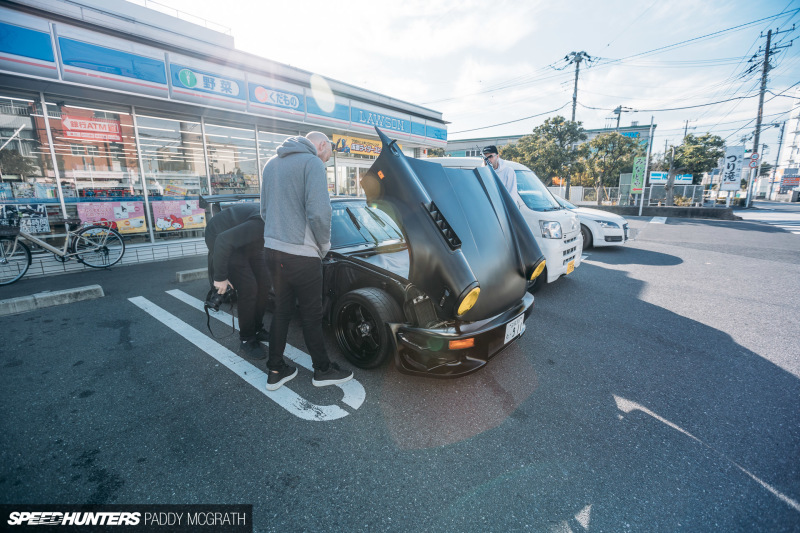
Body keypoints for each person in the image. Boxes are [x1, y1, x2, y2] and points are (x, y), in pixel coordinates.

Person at [260, 131, 354, 391]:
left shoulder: (271, 163)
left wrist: (279, 237)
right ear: (322, 145)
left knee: (282, 309)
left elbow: (264, 211)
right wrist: (324, 246)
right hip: (302, 255)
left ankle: (276, 370)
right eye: (330, 153)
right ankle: (322, 371)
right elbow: (320, 213)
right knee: (312, 315)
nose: (328, 158)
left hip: (272, 250)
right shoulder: (311, 163)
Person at [205, 202, 270, 360]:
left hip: (245, 240)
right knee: (249, 288)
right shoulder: (262, 223)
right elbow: (222, 241)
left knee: (265, 283)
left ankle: (256, 328)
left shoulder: (280, 223)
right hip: (220, 236)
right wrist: (220, 277)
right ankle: (247, 338)